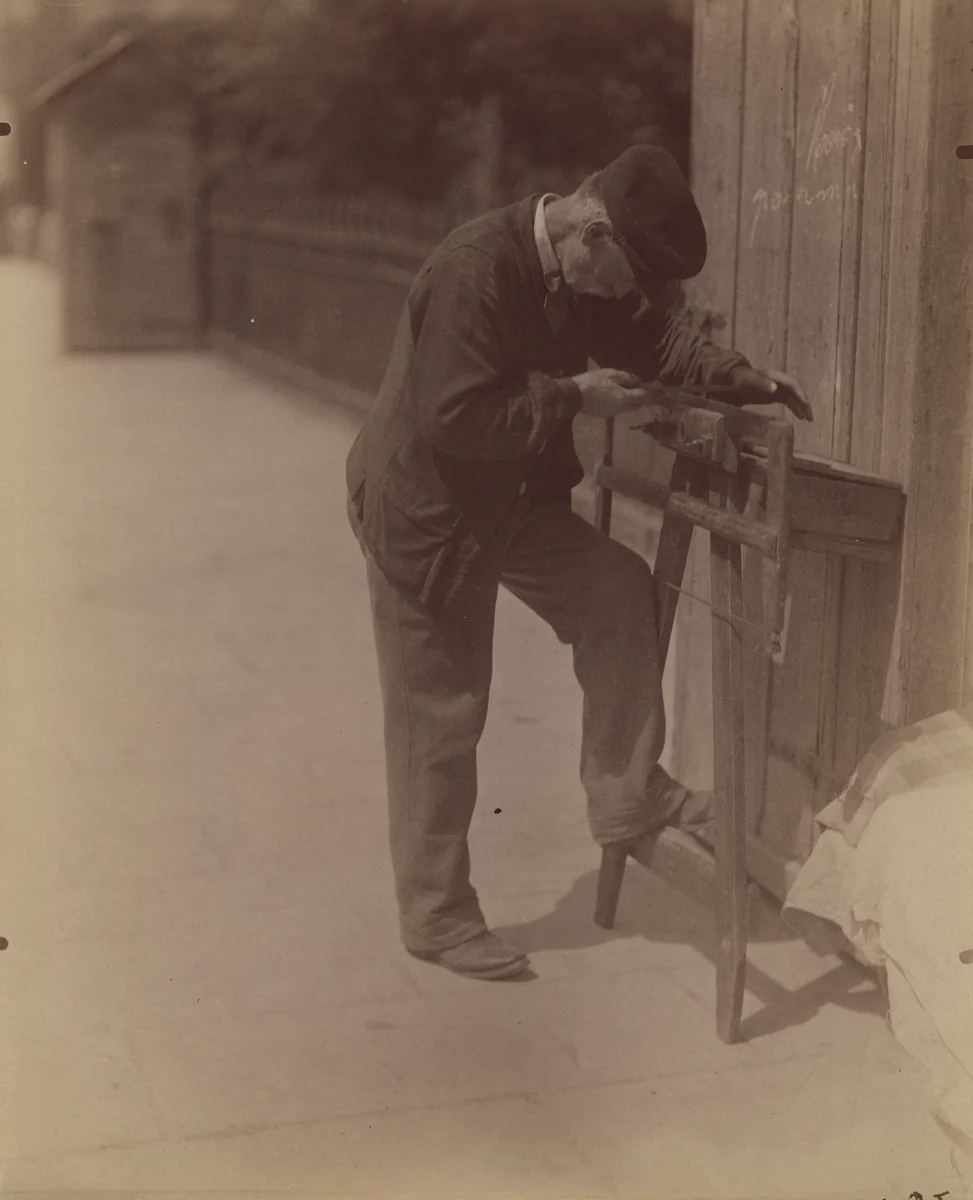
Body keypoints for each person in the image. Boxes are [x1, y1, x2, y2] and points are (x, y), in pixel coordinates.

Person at [345, 145, 811, 981]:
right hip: (428, 513)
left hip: (509, 502)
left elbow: (652, 340)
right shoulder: (475, 270)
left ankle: (626, 793)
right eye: (627, 277)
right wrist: (572, 396)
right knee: (441, 713)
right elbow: (455, 417)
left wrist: (745, 380)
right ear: (591, 232)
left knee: (616, 591)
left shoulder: (580, 269)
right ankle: (436, 915)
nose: (627, 298)